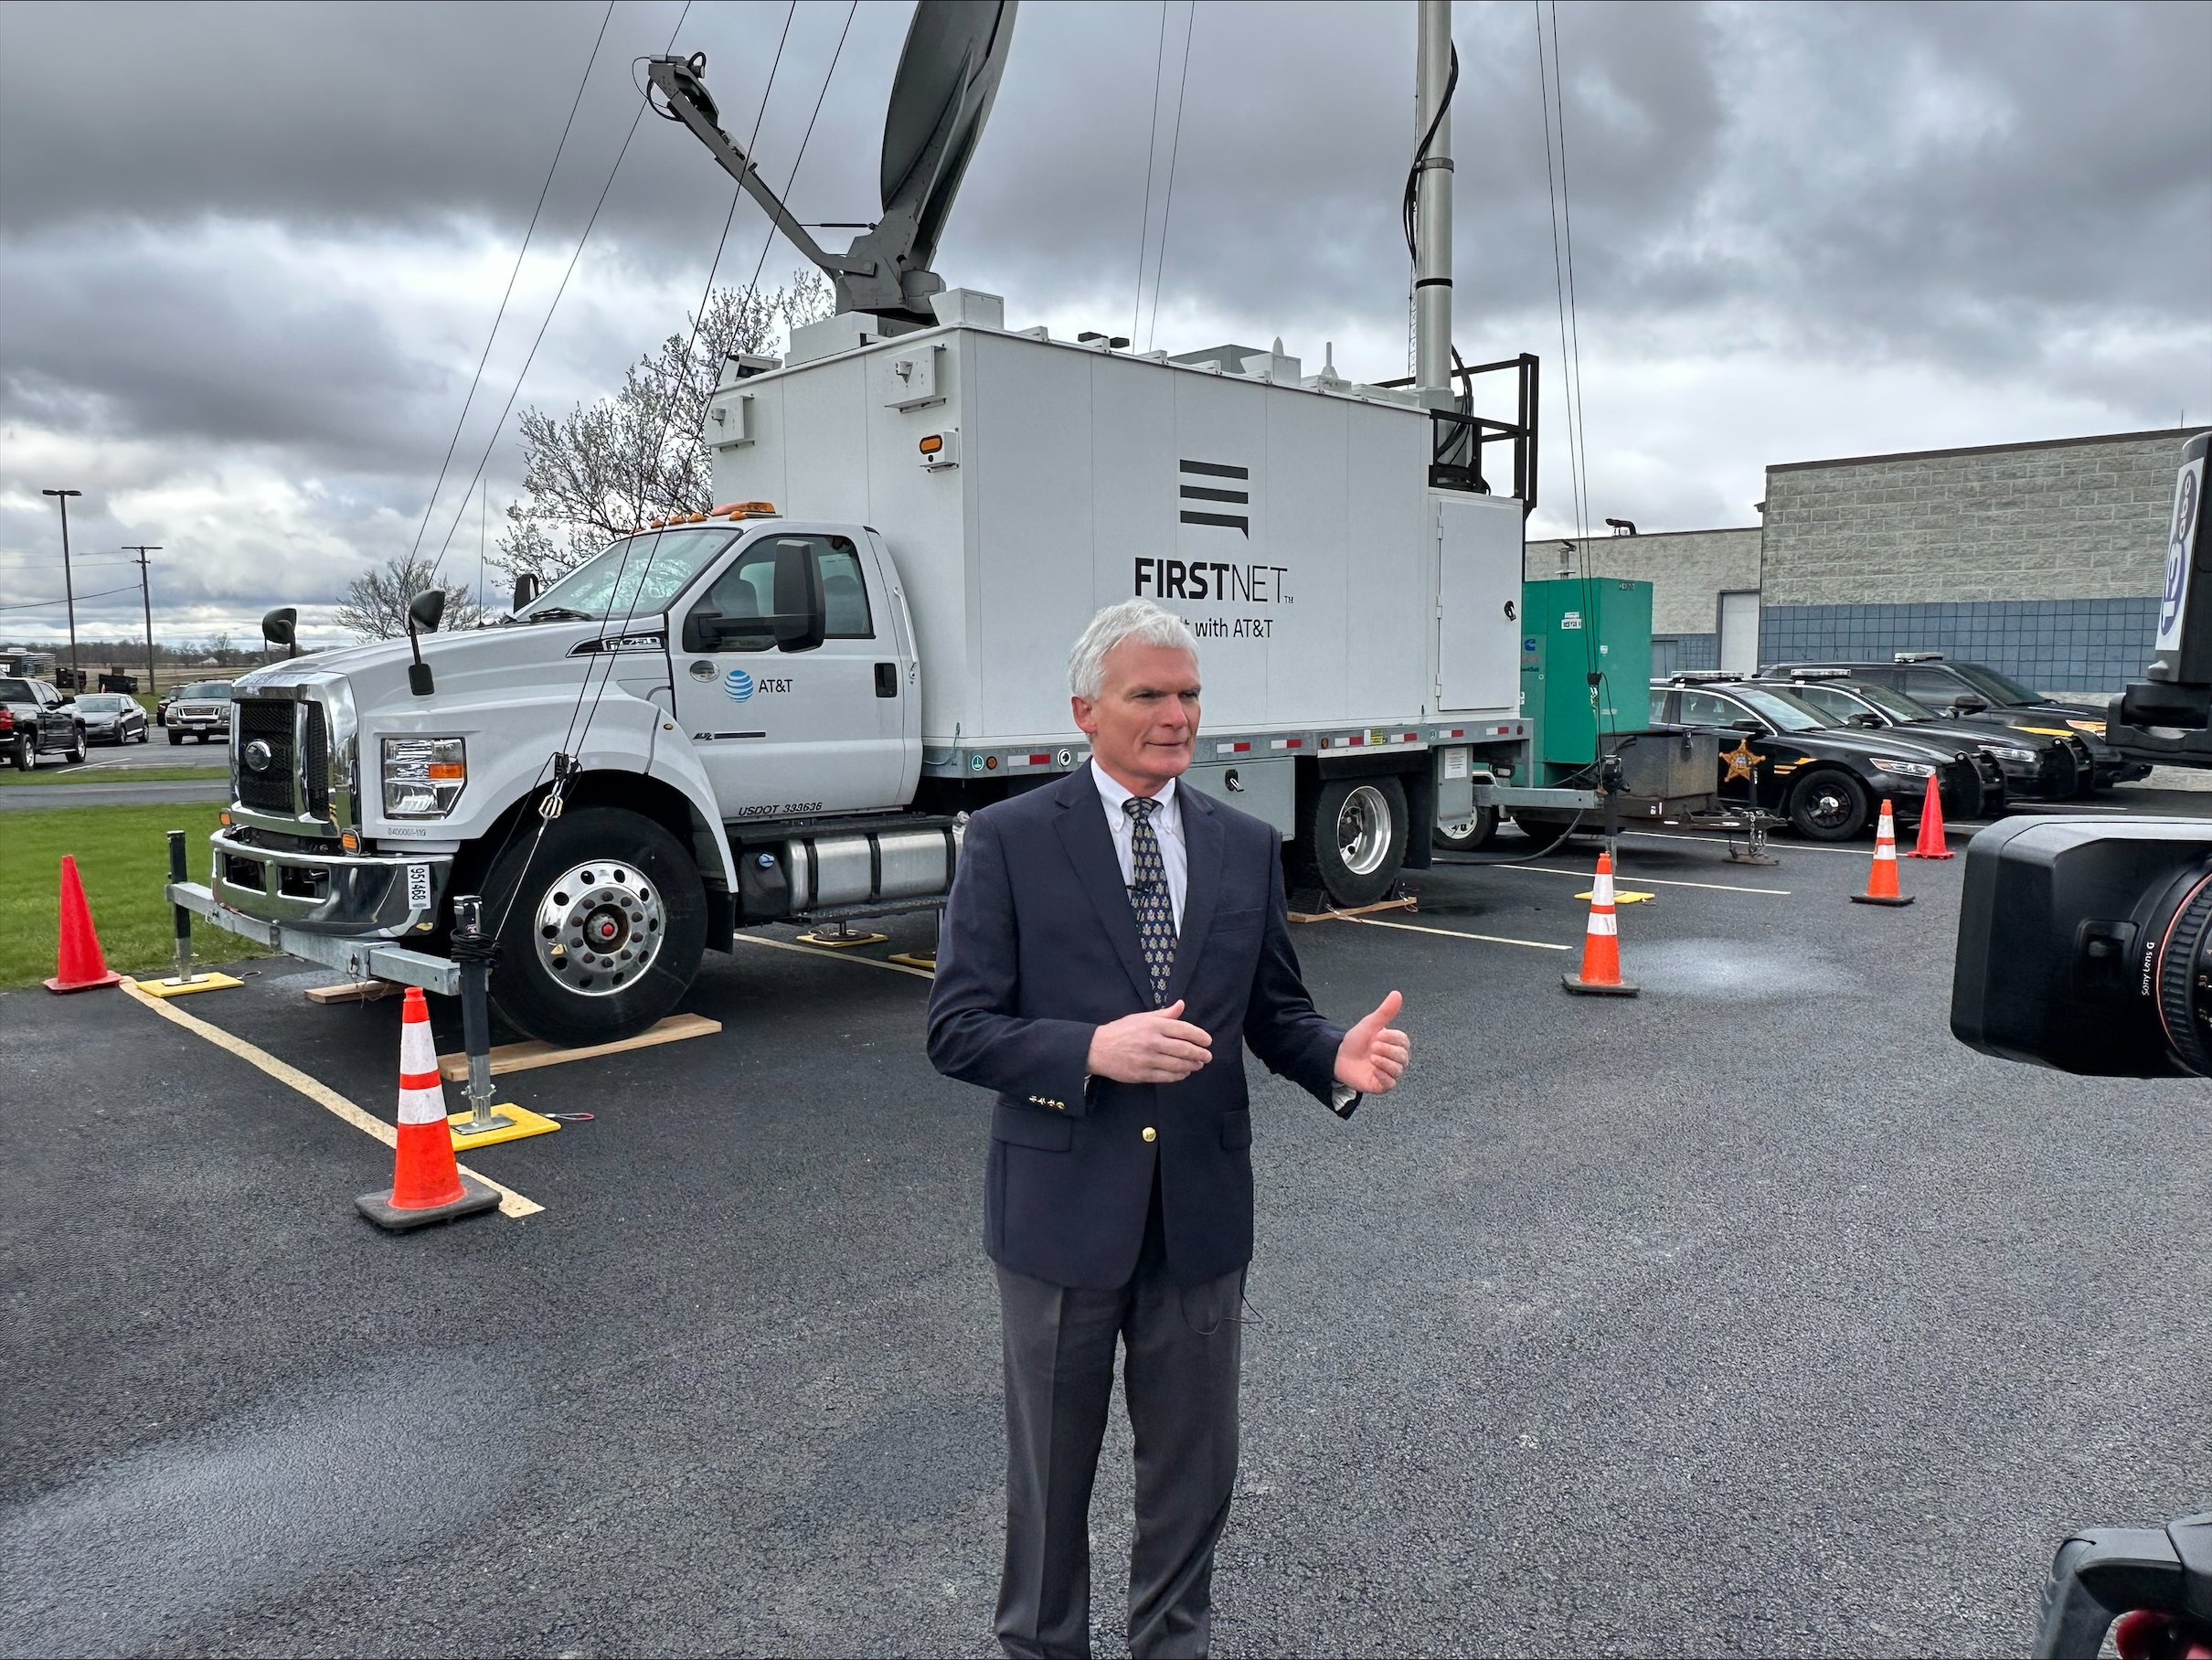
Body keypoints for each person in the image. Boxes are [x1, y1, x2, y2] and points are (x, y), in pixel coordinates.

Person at [927, 598, 1411, 1658]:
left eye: (1188, 693)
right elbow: (956, 1029)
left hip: (1198, 1218)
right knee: (1048, 1481)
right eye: (1147, 694)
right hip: (1059, 1218)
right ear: (1084, 711)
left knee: (1193, 1479)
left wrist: (1331, 1055)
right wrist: (1090, 1050)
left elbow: (1272, 1011)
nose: (1176, 714)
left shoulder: (1241, 845)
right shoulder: (1010, 840)